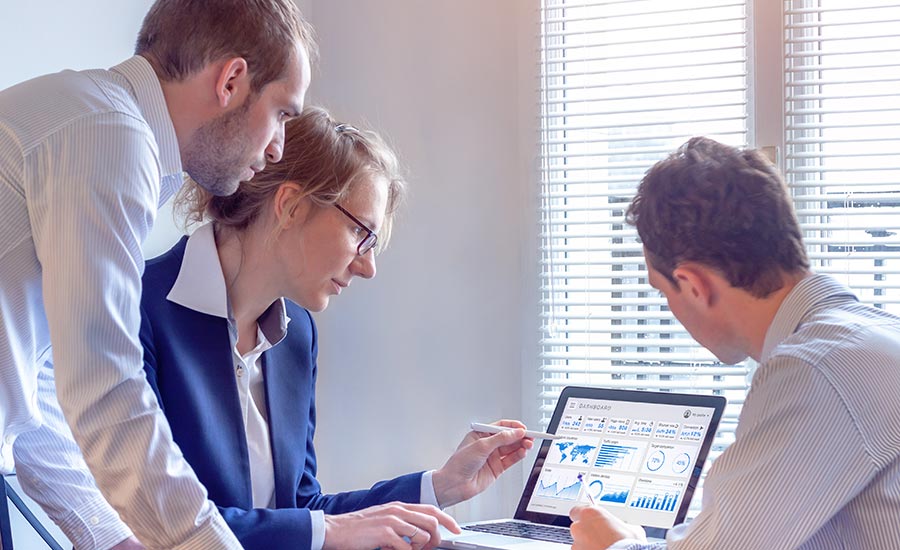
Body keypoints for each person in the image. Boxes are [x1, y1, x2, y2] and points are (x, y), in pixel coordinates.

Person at [138, 107, 535, 550]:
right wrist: (326, 530)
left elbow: (303, 509)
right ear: (290, 205)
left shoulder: (296, 334)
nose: (368, 267)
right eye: (361, 234)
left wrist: (440, 486)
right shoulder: (137, 310)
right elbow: (153, 524)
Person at [0, 1, 315, 548]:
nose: (279, 147)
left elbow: (34, 386)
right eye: (283, 113)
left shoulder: (96, 122)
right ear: (232, 80)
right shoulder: (108, 135)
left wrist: (111, 537)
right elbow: (105, 388)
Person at [568, 137, 900, 549]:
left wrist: (612, 545)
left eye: (662, 291)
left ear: (692, 284)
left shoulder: (816, 372)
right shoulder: (869, 337)